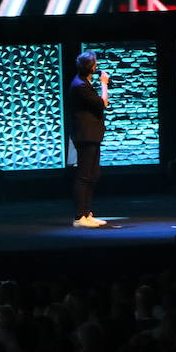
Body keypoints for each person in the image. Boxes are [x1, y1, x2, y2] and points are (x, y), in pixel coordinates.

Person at [68, 51, 109, 228]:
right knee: (84, 176)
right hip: (85, 135)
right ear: (90, 67)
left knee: (93, 175)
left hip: (92, 134)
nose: (97, 66)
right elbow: (103, 104)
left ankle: (87, 213)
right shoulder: (79, 86)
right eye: (95, 64)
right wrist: (104, 84)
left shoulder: (84, 82)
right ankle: (79, 217)